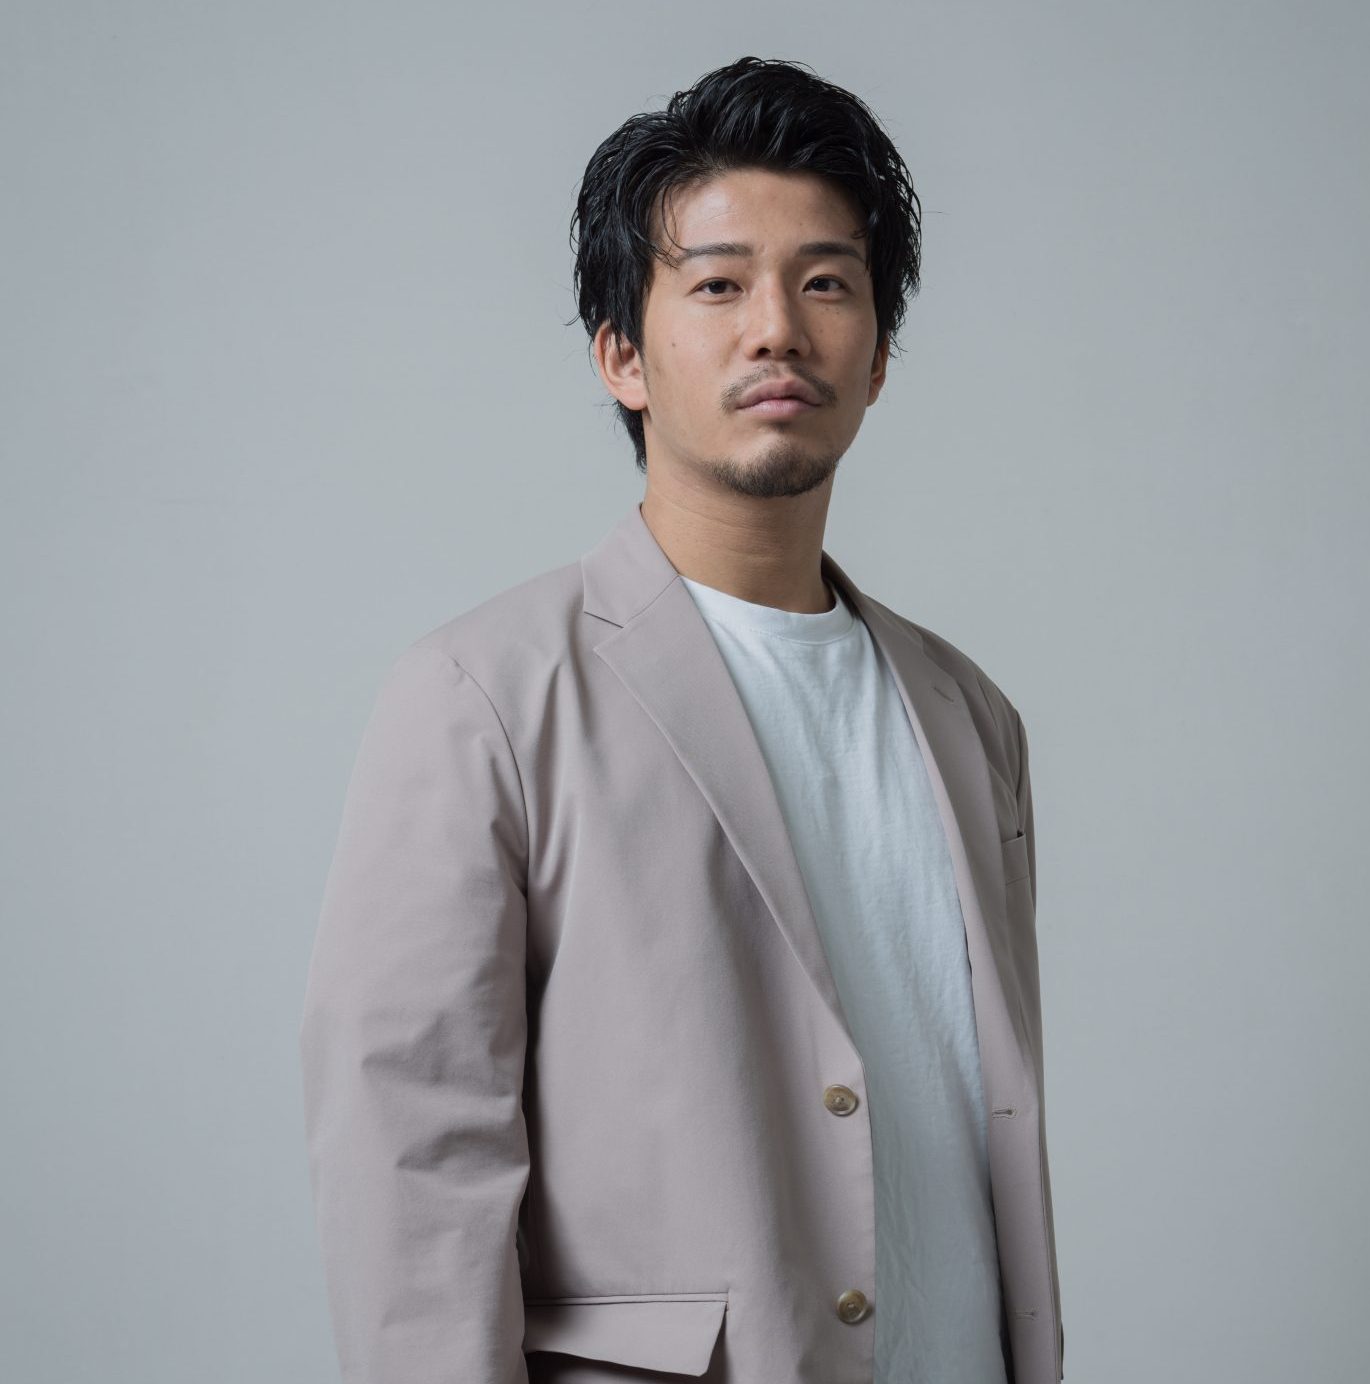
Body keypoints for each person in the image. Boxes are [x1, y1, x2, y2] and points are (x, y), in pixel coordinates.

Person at [299, 54, 1063, 1384]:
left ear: (880, 357)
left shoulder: (969, 717)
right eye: (717, 285)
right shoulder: (486, 696)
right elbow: (412, 1154)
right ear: (622, 356)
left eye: (826, 283)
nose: (778, 328)